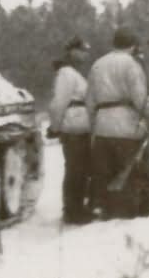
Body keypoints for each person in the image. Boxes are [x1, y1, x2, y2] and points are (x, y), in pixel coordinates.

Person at [86, 28, 149, 219]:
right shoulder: (131, 65)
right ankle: (127, 214)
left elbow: (89, 102)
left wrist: (94, 126)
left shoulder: (97, 64)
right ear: (133, 46)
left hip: (102, 127)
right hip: (127, 128)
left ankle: (103, 212)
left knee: (104, 176)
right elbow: (141, 101)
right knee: (128, 176)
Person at [48, 36, 93, 224]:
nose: (85, 54)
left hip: (80, 125)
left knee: (79, 169)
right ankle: (72, 211)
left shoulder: (73, 73)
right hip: (73, 125)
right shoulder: (66, 73)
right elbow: (59, 102)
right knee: (75, 169)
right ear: (71, 51)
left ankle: (77, 208)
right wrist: (55, 127)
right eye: (81, 50)